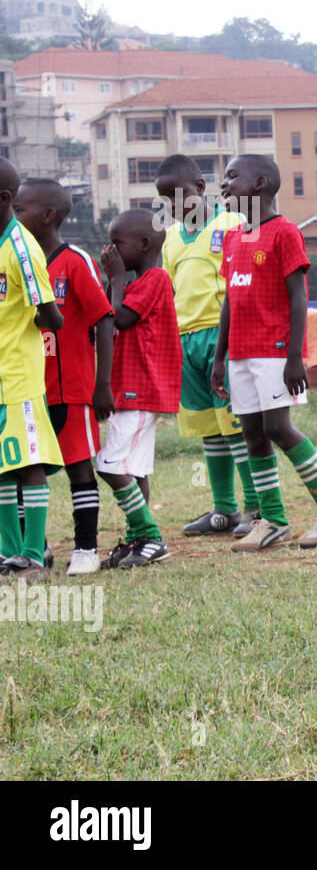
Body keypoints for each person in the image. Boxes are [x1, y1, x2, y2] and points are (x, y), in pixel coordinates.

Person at [211, 154, 317, 552]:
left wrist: (296, 354)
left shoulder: (285, 232)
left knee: (277, 427)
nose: (223, 186)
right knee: (253, 433)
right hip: (239, 351)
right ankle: (272, 519)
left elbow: (298, 297)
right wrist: (220, 356)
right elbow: (229, 301)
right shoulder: (233, 237)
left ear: (260, 184)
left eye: (231, 177)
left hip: (275, 350)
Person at [13, 178, 114, 575]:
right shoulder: (21, 261)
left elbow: (103, 318)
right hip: (30, 388)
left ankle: (86, 549)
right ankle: (35, 547)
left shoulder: (76, 260)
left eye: (22, 211)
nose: (16, 218)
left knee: (78, 467)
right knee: (25, 468)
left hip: (72, 388)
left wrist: (101, 383)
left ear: (48, 215)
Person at [156, 154, 259, 538]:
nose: (172, 205)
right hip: (187, 342)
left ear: (200, 189)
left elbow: (242, 284)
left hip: (223, 338)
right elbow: (169, 292)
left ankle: (255, 506)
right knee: (209, 430)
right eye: (164, 199)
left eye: (177, 195)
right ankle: (224, 509)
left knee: (236, 425)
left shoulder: (233, 223)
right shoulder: (169, 239)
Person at [96, 209, 180, 568]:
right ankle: (137, 540)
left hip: (139, 390)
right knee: (135, 469)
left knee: (109, 465)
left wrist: (115, 278)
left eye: (118, 244)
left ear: (144, 244)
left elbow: (119, 319)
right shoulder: (132, 283)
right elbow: (101, 316)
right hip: (132, 391)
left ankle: (150, 537)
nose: (112, 251)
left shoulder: (156, 279)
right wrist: (111, 279)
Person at [0, 158, 65, 578]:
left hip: (20, 375)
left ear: (3, 199)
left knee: (28, 463)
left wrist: (36, 320)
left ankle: (34, 554)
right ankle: (8, 553)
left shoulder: (22, 248)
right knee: (2, 466)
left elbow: (52, 316)